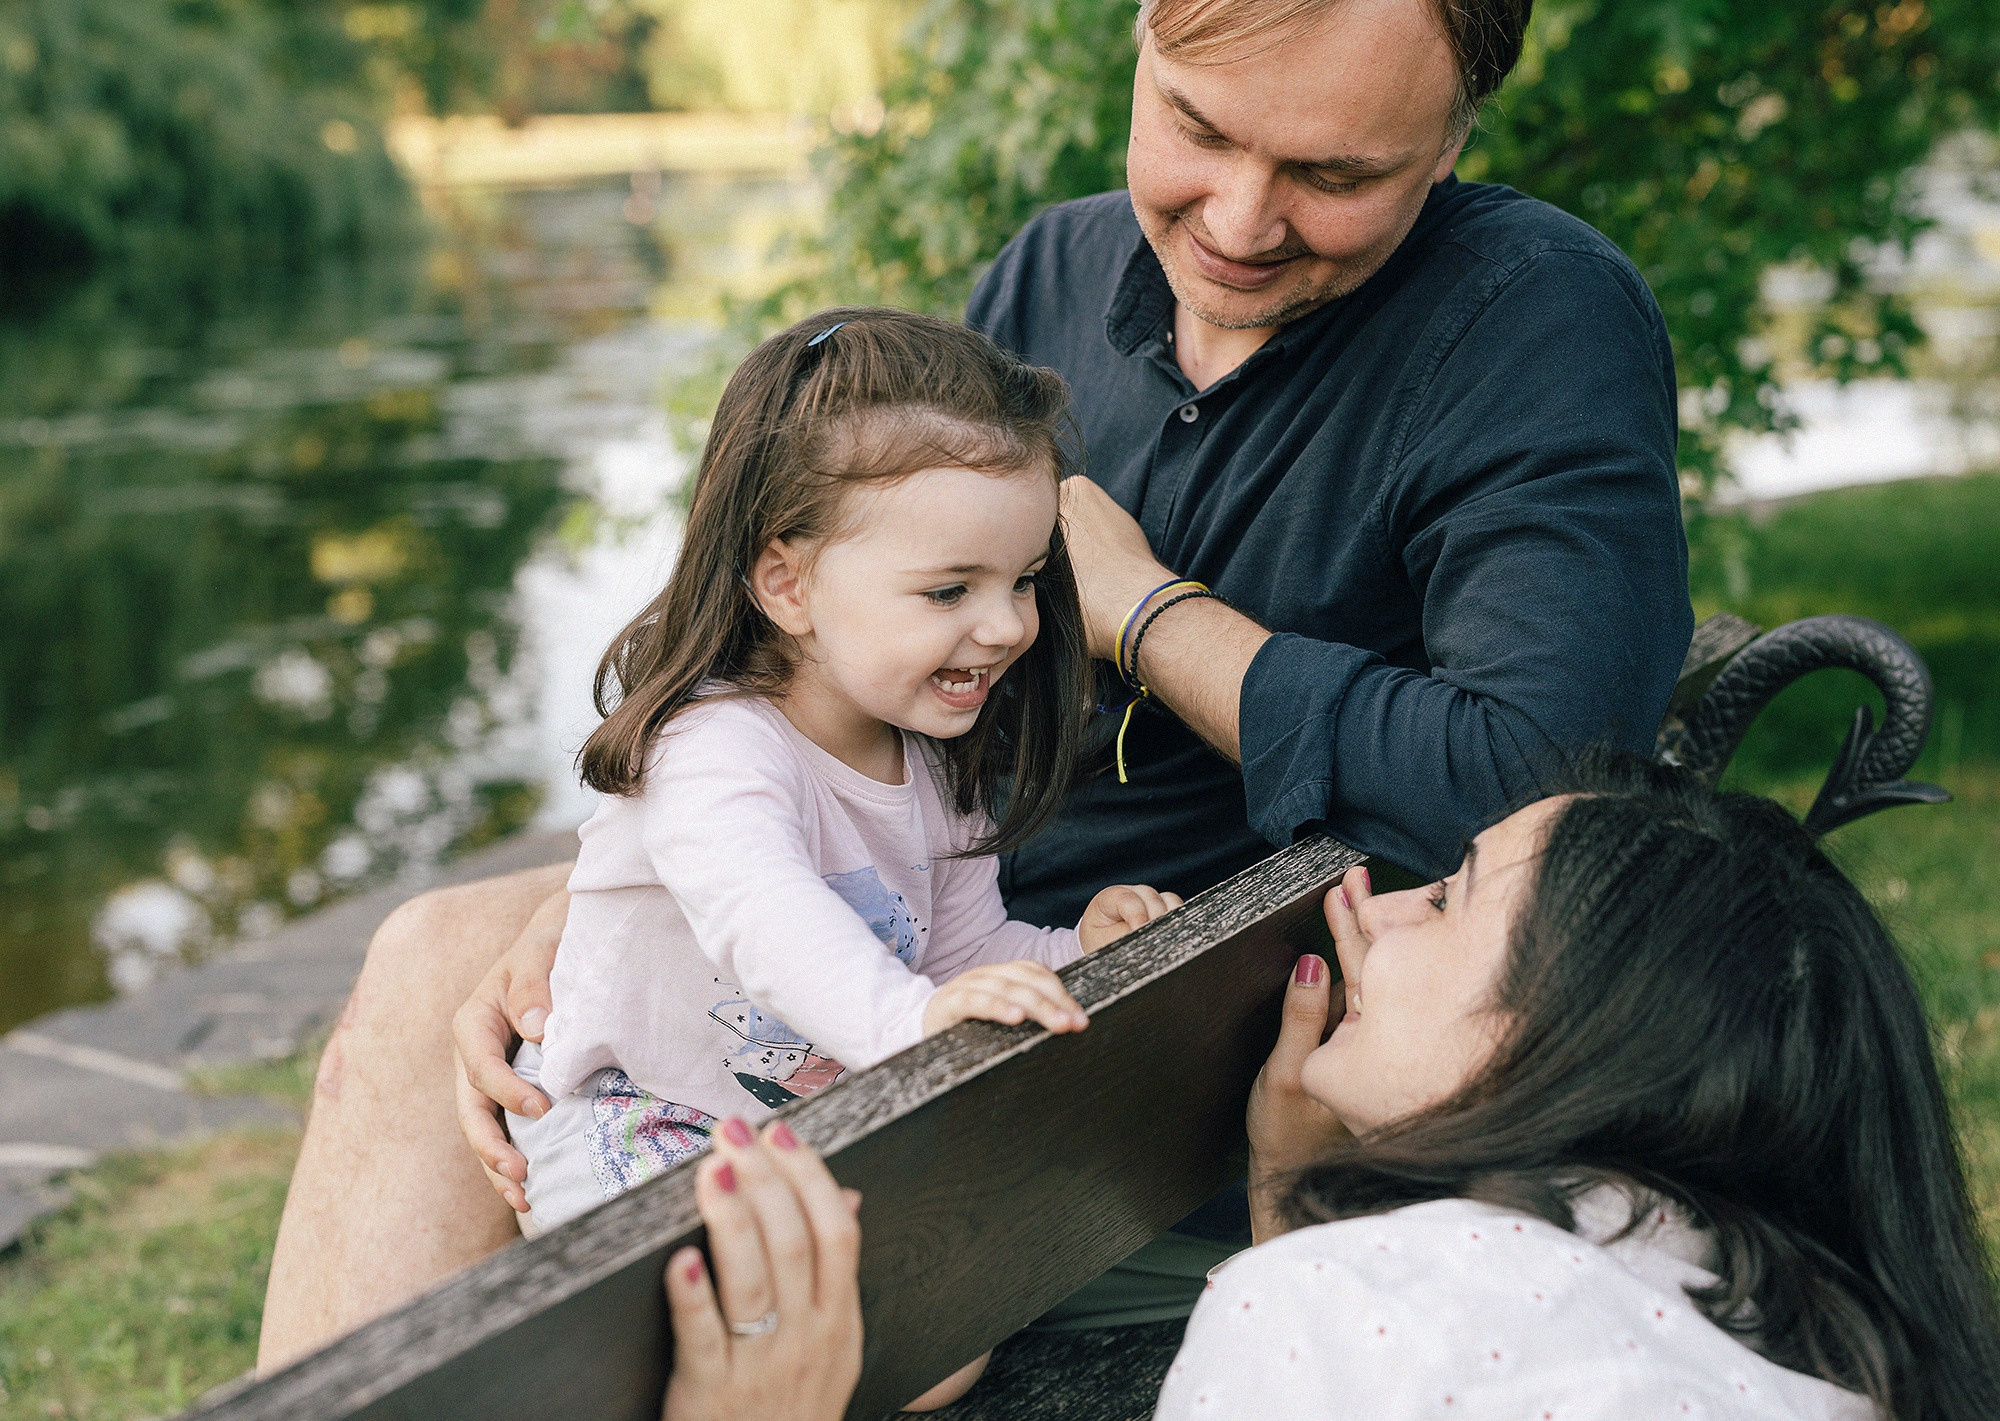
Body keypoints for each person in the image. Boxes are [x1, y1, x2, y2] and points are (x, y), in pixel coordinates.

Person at [258, 0, 1693, 1365]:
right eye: (1196, 129)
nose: (1239, 220)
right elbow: (842, 638)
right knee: (440, 953)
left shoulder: (1533, 320)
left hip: (1175, 1035)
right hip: (941, 903)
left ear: (1450, 139)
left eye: (1333, 175)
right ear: (1139, 37)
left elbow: (1547, 786)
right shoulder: (1050, 274)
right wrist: (635, 874)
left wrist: (1146, 614)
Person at [655, 760, 2000, 1421]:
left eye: (1450, 895)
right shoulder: (1823, 1333)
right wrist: (1293, 1203)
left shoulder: (1339, 1310)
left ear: (1576, 1030)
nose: (1375, 907)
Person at [499, 308, 1179, 1408]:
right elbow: (763, 920)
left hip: (799, 1120)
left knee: (947, 1348)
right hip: (638, 1118)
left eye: (1023, 579)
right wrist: (910, 1023)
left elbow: (962, 953)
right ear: (788, 585)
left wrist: (1076, 952)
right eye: (950, 590)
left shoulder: (931, 755)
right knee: (778, 1351)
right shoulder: (713, 746)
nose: (1009, 626)